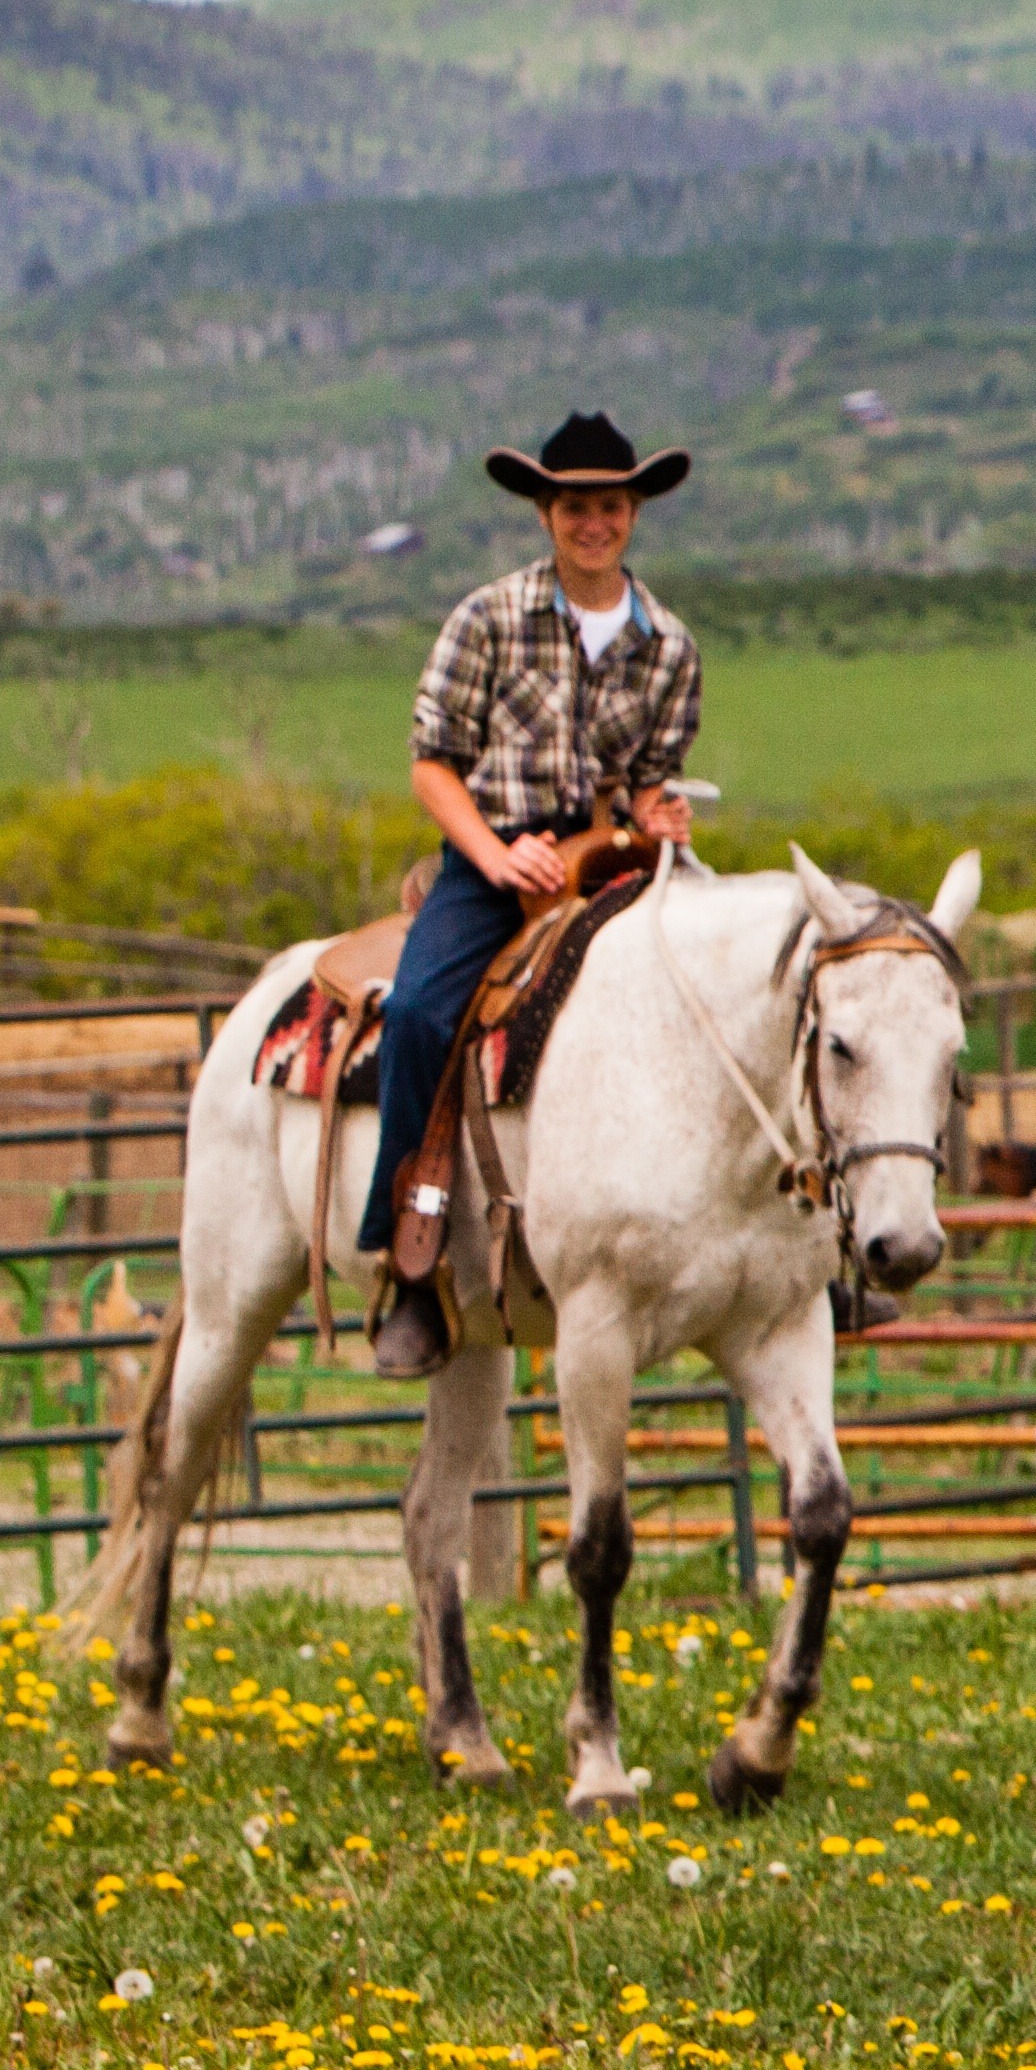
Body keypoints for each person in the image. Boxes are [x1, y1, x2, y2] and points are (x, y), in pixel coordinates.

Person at [360, 411, 707, 1376]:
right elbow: (434, 764)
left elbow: (650, 774)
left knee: (737, 983)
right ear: (545, 513)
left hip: (612, 859)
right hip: (492, 860)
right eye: (572, 506)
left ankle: (782, 1236)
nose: (591, 522)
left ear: (632, 511)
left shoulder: (670, 645)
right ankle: (413, 1261)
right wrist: (496, 855)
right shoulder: (489, 617)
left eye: (608, 505)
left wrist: (658, 816)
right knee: (425, 1012)